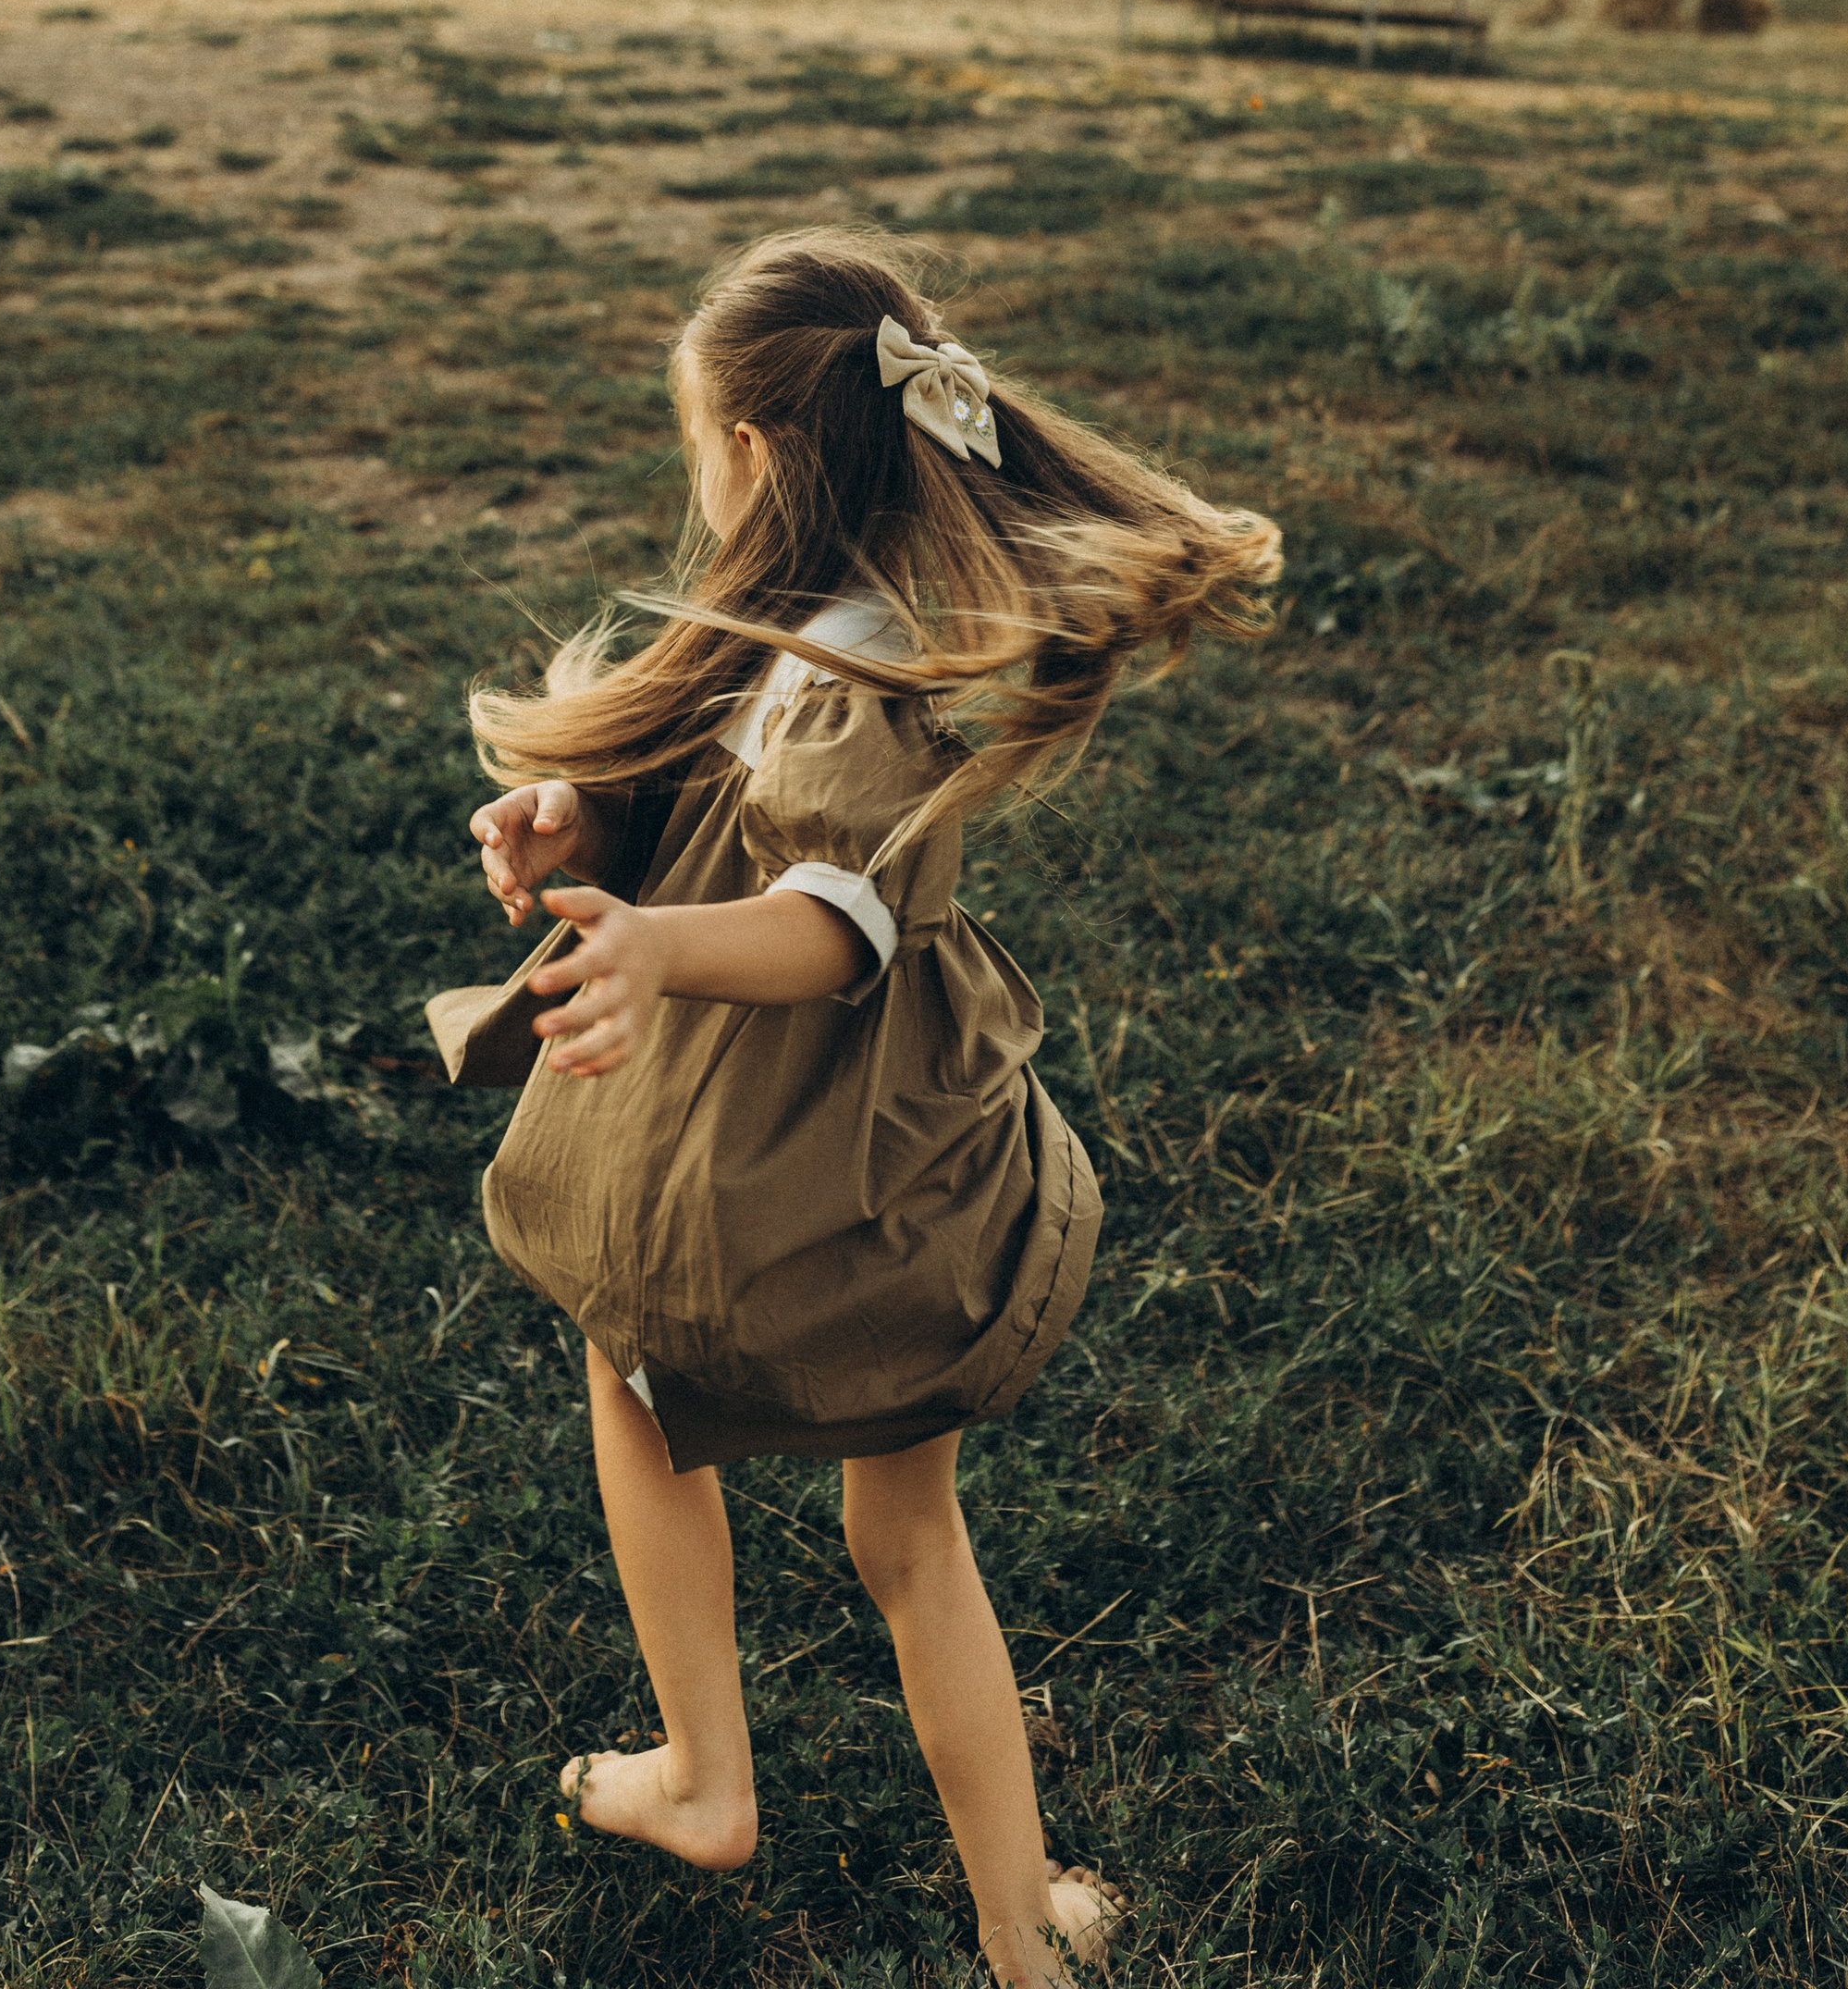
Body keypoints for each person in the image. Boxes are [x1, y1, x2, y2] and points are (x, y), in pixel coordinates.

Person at [429, 229, 1279, 1985]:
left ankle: (706, 1774)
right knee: (912, 1537)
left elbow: (837, 922)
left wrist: (658, 943)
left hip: (759, 1166)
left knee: (630, 1361)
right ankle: (1020, 1930)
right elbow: (711, 803)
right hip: (904, 1176)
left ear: (751, 454)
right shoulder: (843, 625)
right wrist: (577, 823)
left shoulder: (856, 670)